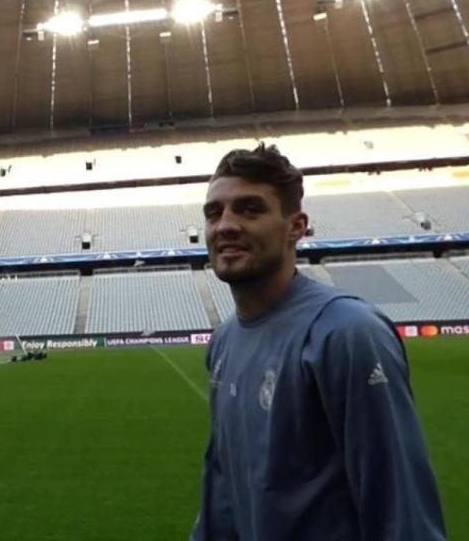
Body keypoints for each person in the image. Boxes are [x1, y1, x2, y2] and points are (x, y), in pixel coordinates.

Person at [190, 144, 446, 540]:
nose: (225, 225)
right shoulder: (224, 341)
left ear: (296, 226)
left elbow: (400, 506)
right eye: (214, 212)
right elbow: (222, 496)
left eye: (249, 209)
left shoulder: (346, 332)